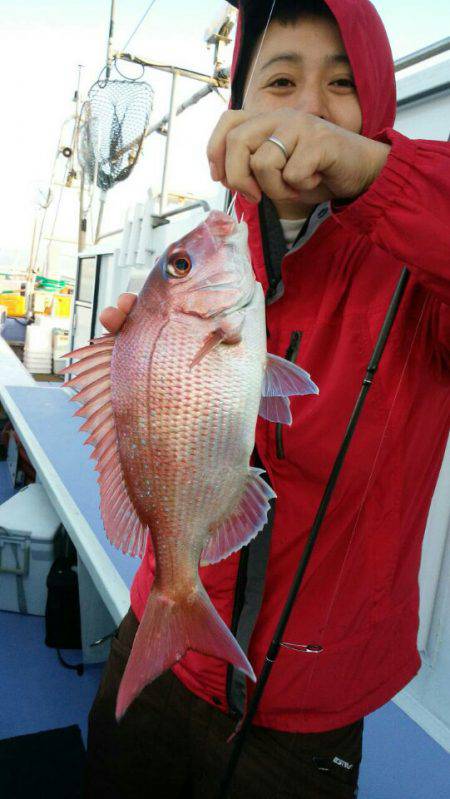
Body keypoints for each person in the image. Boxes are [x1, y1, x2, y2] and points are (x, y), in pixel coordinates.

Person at [83, 1, 450, 797]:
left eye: (343, 84)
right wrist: (133, 370)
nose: (311, 109)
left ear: (379, 108)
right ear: (241, 107)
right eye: (281, 80)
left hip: (307, 715)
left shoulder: (422, 267)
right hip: (160, 634)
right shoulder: (214, 249)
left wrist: (380, 178)